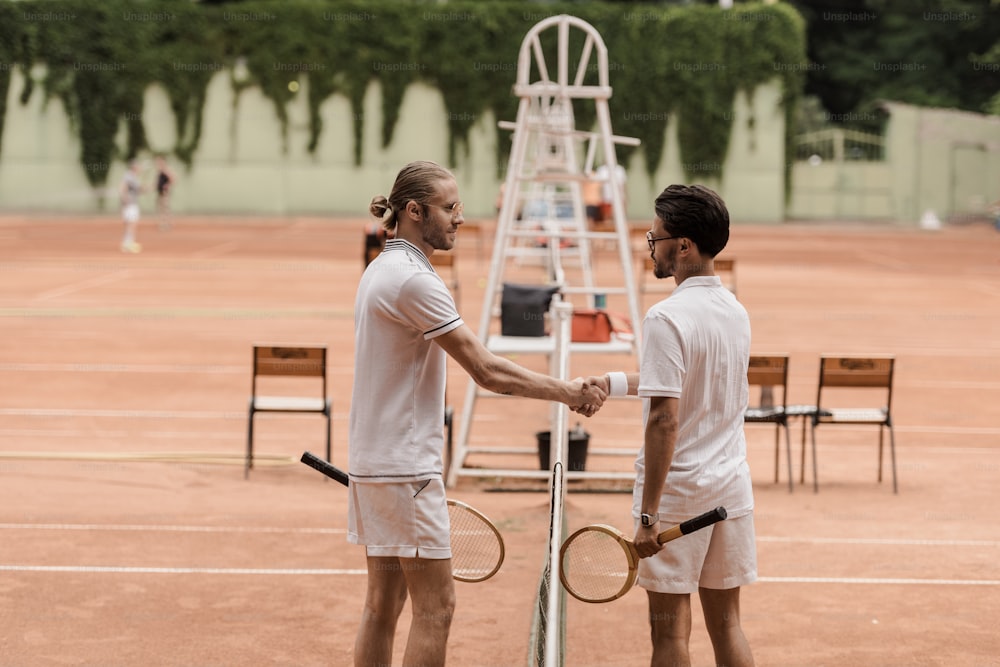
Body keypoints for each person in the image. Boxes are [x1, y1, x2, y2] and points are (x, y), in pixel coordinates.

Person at [349, 160, 606, 667]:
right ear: (415, 211)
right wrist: (569, 392)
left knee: (382, 607)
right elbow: (486, 369)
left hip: (375, 463)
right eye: (449, 208)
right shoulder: (413, 282)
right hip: (406, 469)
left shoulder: (380, 269)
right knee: (436, 608)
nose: (459, 218)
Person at [586, 184, 756, 667]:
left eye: (654, 237)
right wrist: (614, 382)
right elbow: (686, 380)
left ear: (682, 245)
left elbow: (665, 417)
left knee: (670, 637)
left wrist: (647, 515)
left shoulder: (665, 316)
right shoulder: (735, 311)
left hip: (679, 496)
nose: (651, 246)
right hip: (731, 489)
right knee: (728, 628)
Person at [119, 159, 144, 253]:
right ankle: (128, 244)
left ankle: (127, 243)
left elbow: (138, 190)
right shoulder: (129, 176)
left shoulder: (134, 177)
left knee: (130, 223)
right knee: (131, 223)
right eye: (138, 166)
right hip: (130, 204)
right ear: (134, 167)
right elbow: (122, 187)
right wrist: (124, 199)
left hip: (131, 203)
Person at [154, 155, 176, 231]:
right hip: (160, 192)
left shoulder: (165, 170)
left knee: (165, 208)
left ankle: (166, 224)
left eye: (159, 161)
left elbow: (173, 178)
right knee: (161, 208)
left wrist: (167, 185)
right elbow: (157, 183)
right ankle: (163, 224)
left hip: (164, 193)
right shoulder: (160, 171)